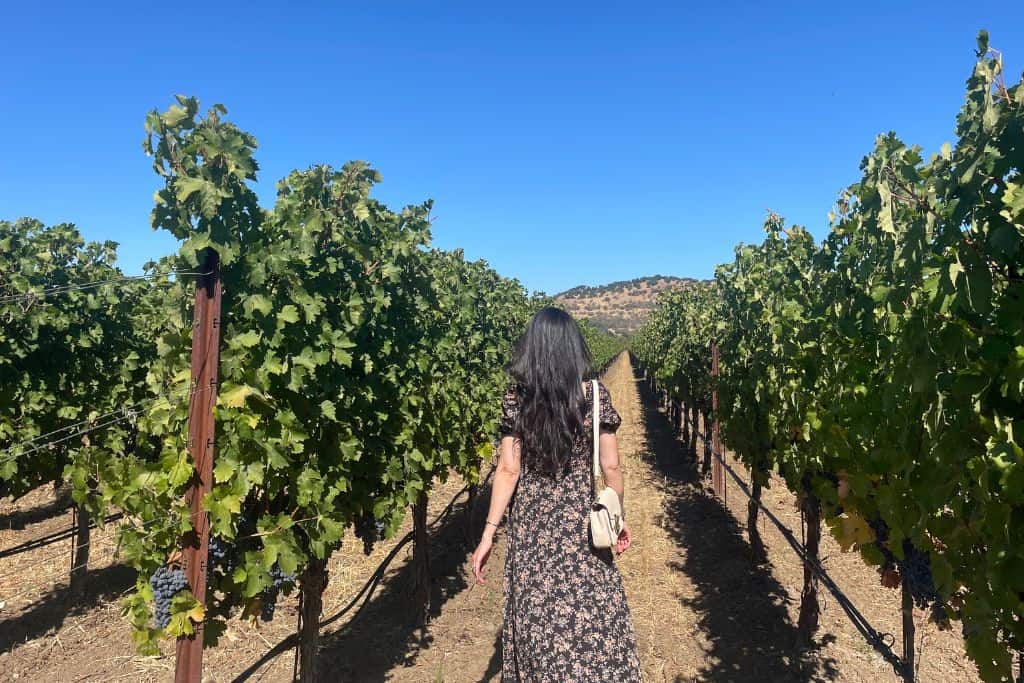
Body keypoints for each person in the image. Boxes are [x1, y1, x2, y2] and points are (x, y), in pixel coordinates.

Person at [471, 306, 643, 682]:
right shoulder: (595, 397)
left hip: (533, 534)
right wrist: (617, 515)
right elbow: (612, 467)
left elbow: (507, 470)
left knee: (538, 623)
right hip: (579, 532)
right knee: (592, 617)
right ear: (573, 348)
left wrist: (488, 534)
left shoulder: (517, 400)